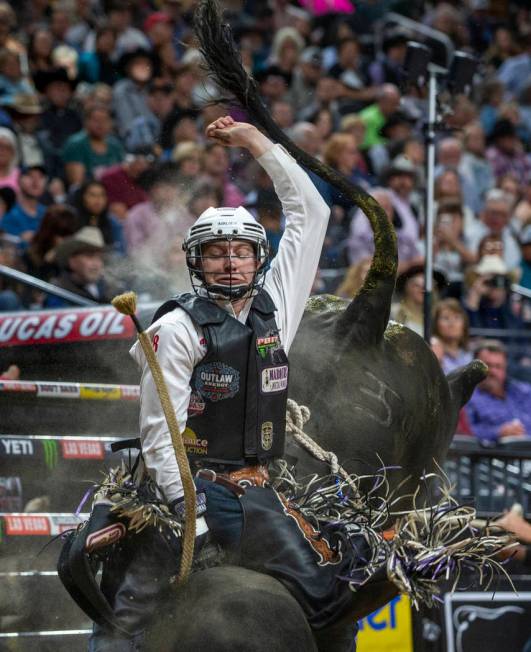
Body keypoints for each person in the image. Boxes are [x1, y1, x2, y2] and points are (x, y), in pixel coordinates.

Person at [88, 115, 334, 649]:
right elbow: (161, 433)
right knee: (127, 618)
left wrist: (255, 142)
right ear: (196, 262)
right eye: (216, 253)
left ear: (258, 258)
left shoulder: (278, 304)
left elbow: (311, 212)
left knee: (328, 596)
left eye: (241, 251)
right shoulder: (174, 328)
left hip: (257, 486)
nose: (229, 263)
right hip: (184, 490)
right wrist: (189, 515)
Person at [466, 340, 531, 442]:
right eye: (487, 365)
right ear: (473, 368)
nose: (493, 371)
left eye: (498, 366)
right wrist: (498, 432)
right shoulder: (467, 397)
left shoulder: (524, 391)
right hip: (490, 454)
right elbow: (465, 433)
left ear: (505, 368)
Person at [46, 226, 118, 307]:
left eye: (100, 258)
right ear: (72, 262)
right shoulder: (58, 291)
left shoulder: (107, 288)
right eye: (89, 256)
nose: (96, 264)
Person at [0, 164, 47, 245]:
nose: (36, 181)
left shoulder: (48, 213)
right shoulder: (7, 212)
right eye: (30, 176)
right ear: (19, 180)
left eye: (41, 177)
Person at [432, 298, 472, 374]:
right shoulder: (432, 350)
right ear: (436, 324)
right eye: (446, 318)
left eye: (457, 317)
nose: (452, 323)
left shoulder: (470, 353)